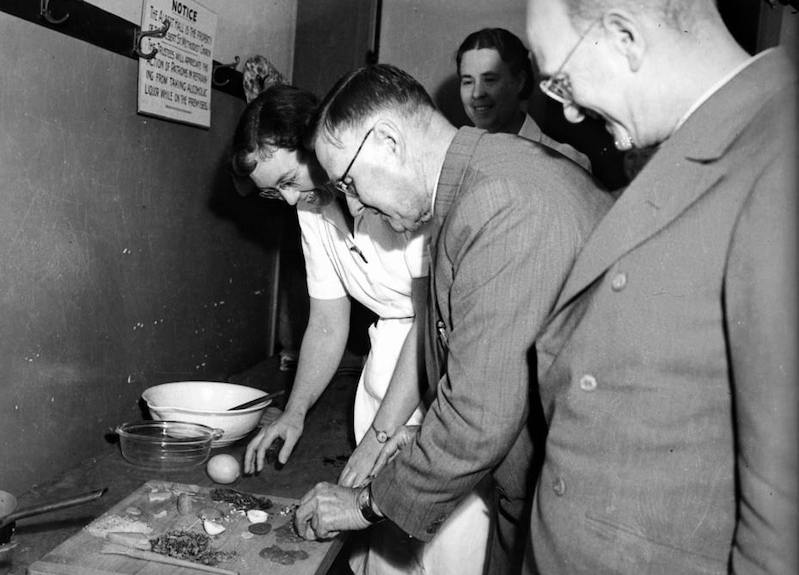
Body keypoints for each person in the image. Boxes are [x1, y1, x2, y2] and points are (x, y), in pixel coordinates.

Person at [294, 64, 612, 574]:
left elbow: (479, 418)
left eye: (350, 182)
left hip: (575, 518)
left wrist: (364, 504)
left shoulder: (499, 201)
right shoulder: (478, 184)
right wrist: (417, 439)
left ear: (389, 141)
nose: (355, 206)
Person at [525, 0, 797, 573]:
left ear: (624, 36)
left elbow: (784, 519)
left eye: (563, 82)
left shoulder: (779, 150)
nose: (569, 114)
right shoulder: (697, 139)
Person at [231, 85, 429, 494]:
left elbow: (428, 326)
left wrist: (379, 436)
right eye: (273, 191)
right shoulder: (311, 207)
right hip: (384, 385)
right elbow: (326, 322)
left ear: (315, 144)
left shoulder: (394, 191)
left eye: (288, 179)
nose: (287, 200)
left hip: (434, 378)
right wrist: (294, 411)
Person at [456, 27, 591, 171]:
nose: (477, 93)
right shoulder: (453, 157)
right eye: (468, 82)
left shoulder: (566, 160)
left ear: (519, 82)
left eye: (489, 80)